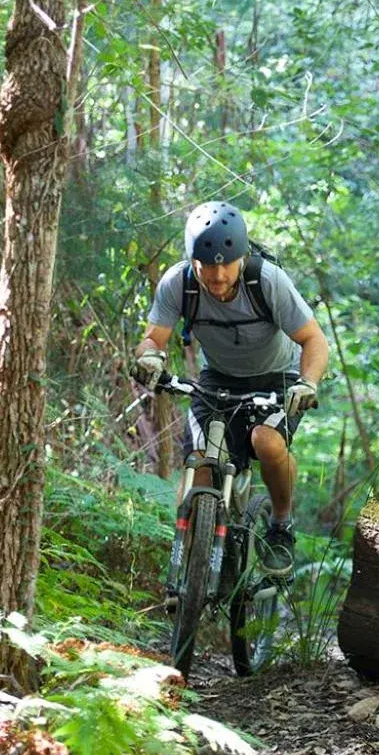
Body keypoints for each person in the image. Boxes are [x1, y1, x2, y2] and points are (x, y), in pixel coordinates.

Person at [133, 200, 329, 575]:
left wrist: (308, 383)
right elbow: (152, 339)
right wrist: (150, 358)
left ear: (241, 258)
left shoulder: (267, 281)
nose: (218, 275)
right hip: (218, 378)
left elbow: (314, 340)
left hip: (279, 377)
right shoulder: (179, 284)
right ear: (194, 262)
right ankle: (187, 572)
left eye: (226, 263)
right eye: (208, 265)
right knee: (201, 465)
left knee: (266, 442)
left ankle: (281, 525)